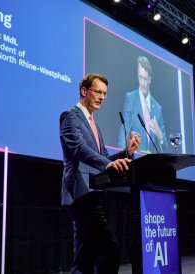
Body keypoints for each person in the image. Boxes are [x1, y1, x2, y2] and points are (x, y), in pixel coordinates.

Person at [59, 73, 141, 274]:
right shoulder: (70, 116)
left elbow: (104, 158)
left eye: (105, 93)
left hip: (93, 195)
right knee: (110, 251)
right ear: (84, 91)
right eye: (97, 92)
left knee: (84, 260)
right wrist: (107, 164)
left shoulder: (95, 125)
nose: (102, 97)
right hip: (80, 194)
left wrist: (127, 153)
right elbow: (78, 148)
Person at [118, 56, 167, 153]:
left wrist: (159, 135)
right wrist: (121, 154)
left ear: (150, 79)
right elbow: (125, 128)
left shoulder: (157, 108)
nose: (143, 83)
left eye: (146, 79)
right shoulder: (130, 98)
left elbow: (165, 148)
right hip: (134, 158)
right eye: (141, 77)